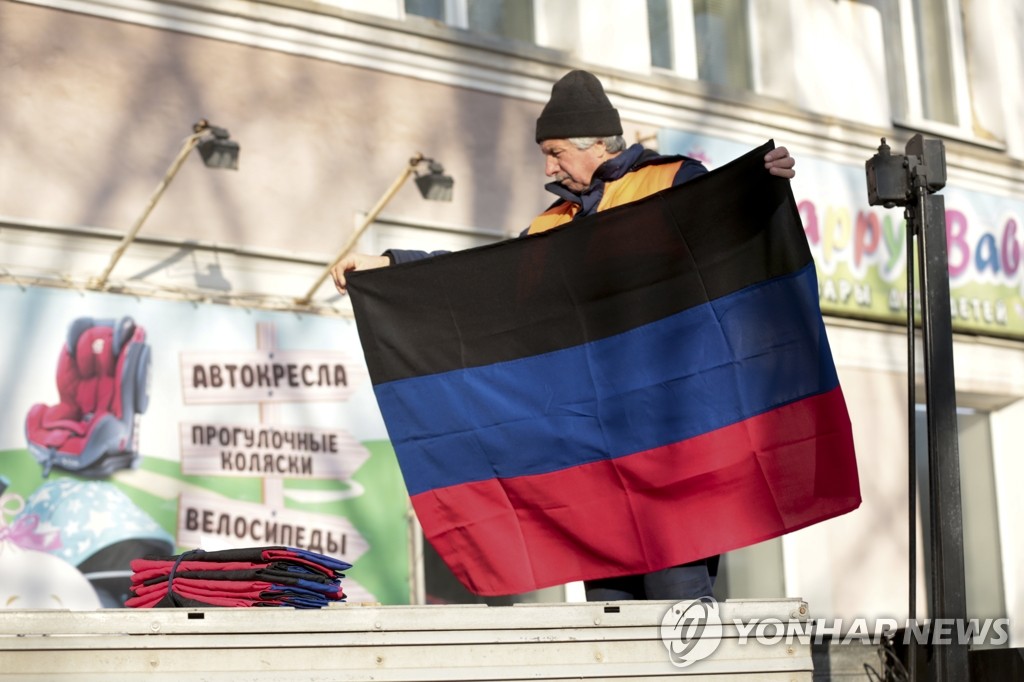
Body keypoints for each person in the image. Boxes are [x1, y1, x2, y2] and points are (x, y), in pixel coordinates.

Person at [331, 69, 796, 601]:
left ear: (596, 144)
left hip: (672, 443)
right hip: (595, 455)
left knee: (676, 605)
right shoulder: (556, 223)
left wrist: (761, 181)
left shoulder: (670, 181)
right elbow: (483, 278)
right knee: (609, 615)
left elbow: (727, 224)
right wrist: (388, 266)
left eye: (554, 152)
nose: (548, 167)